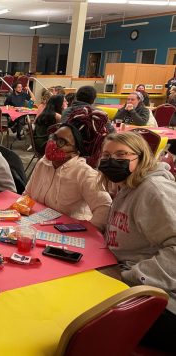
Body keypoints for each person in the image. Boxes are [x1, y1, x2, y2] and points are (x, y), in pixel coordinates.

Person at [97, 131, 176, 353]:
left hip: (161, 299)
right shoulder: (127, 187)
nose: (112, 161)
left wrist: (128, 277)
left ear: (141, 158)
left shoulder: (154, 191)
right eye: (106, 156)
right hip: (132, 283)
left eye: (121, 155)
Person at [24, 124, 111, 231]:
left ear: (76, 151)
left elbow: (105, 207)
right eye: (53, 137)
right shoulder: (43, 163)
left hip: (68, 233)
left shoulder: (84, 174)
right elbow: (27, 195)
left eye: (61, 142)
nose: (53, 144)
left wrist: (88, 232)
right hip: (38, 225)